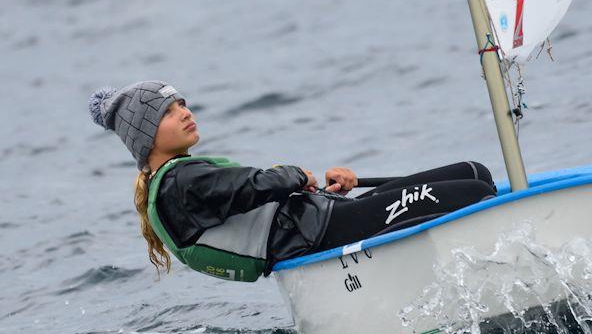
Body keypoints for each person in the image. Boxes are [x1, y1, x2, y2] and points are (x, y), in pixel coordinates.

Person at [88, 81, 497, 281]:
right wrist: (296, 176)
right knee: (476, 189)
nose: (184, 112)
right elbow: (257, 185)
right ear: (145, 135)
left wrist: (322, 188)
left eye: (183, 103)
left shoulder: (182, 179)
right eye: (167, 111)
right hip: (323, 233)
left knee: (474, 173)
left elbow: (257, 200)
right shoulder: (180, 183)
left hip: (324, 218)